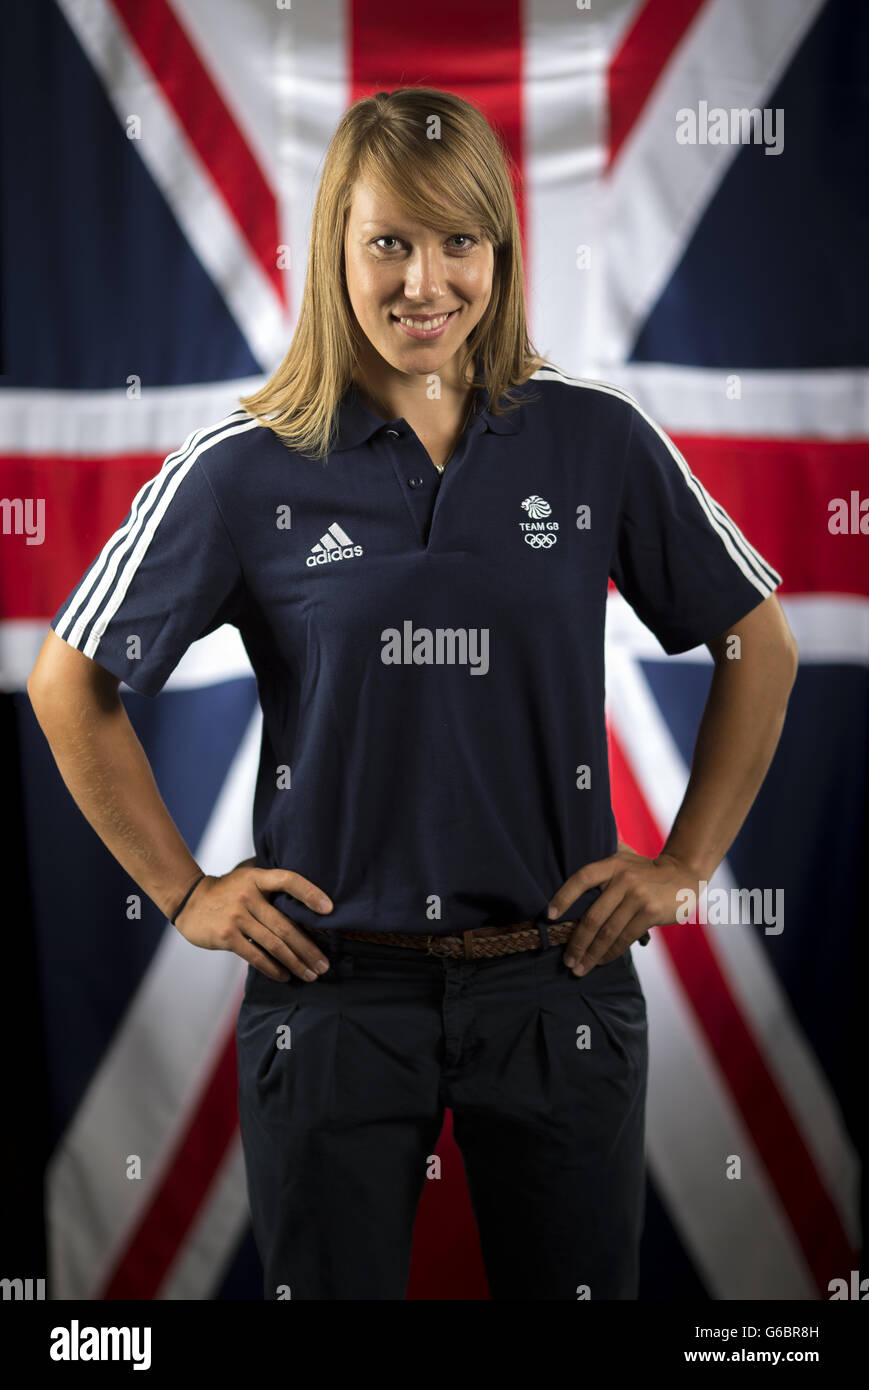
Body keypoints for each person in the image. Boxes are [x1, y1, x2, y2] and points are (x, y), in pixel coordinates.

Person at [27, 88, 798, 1301]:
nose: (422, 280)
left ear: (498, 249)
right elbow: (68, 679)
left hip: (557, 980)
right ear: (335, 245)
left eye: (458, 241)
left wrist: (683, 862)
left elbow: (759, 642)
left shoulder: (593, 440)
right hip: (331, 995)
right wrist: (184, 892)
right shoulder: (240, 468)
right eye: (387, 240)